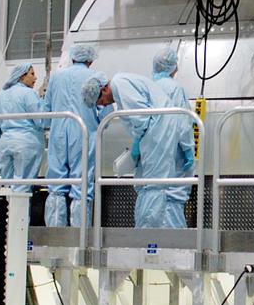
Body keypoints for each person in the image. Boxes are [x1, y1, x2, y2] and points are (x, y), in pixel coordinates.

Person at [82, 65, 194, 229]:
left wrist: (138, 142)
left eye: (101, 101)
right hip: (155, 132)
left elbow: (141, 119)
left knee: (152, 184)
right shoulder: (122, 85)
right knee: (143, 184)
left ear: (104, 89)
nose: (104, 104)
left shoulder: (121, 85)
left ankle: (148, 236)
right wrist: (138, 144)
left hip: (157, 132)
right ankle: (142, 230)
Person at [45, 43, 106, 226]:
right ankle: (80, 237)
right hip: (84, 134)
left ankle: (55, 236)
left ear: (72, 58)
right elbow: (105, 111)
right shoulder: (96, 77)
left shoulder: (56, 77)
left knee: (56, 185)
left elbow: (47, 109)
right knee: (82, 184)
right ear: (90, 60)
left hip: (58, 133)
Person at [148, 47, 196, 227]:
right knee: (173, 198)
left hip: (152, 153)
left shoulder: (148, 86)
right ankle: (174, 248)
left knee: (154, 197)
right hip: (173, 151)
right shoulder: (176, 89)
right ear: (173, 67)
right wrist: (188, 150)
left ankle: (154, 246)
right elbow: (182, 123)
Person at [0, 63, 45, 195]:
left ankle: (6, 215)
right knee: (23, 186)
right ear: (22, 76)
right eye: (32, 74)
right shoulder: (28, 93)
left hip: (6, 142)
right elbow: (41, 120)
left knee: (6, 186)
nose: (35, 78)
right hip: (26, 142)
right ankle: (19, 216)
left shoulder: (2, 94)